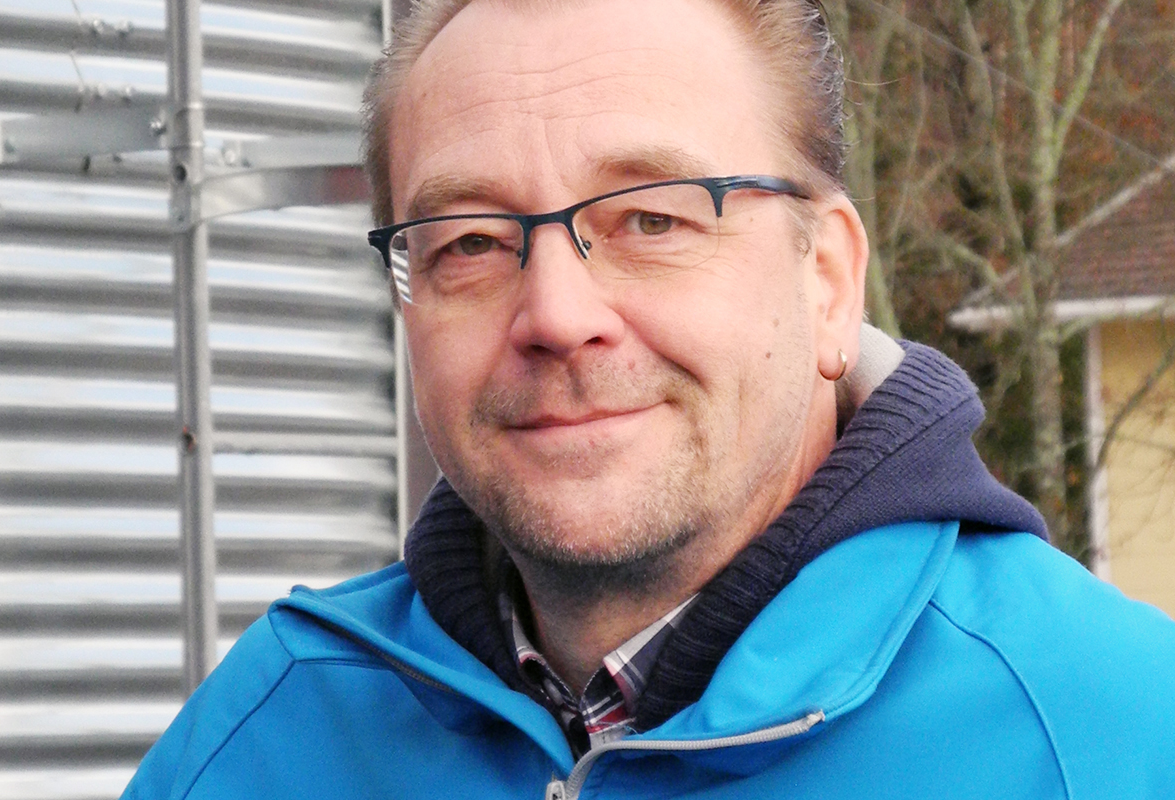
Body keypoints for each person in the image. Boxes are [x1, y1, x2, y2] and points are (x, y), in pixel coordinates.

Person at [123, 0, 1175, 797]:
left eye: (653, 219)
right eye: (472, 241)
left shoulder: (1114, 733)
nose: (555, 313)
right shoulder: (266, 733)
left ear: (827, 283)